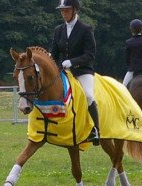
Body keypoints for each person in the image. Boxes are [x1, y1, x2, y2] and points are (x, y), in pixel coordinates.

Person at [50, 0, 99, 145]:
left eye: (66, 10)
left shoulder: (85, 28)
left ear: (75, 10)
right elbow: (54, 52)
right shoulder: (58, 30)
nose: (63, 13)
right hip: (63, 72)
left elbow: (90, 54)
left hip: (82, 70)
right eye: (62, 11)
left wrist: (72, 62)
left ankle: (96, 130)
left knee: (89, 95)